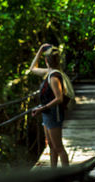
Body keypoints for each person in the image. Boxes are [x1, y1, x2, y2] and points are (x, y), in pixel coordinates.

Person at [30, 44, 70, 172]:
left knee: (59, 147)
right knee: (52, 146)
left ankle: (66, 179)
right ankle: (54, 176)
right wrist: (40, 50)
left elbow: (59, 98)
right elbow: (32, 68)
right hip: (47, 113)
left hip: (53, 113)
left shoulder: (53, 76)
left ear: (46, 61)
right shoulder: (49, 72)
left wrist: (42, 108)